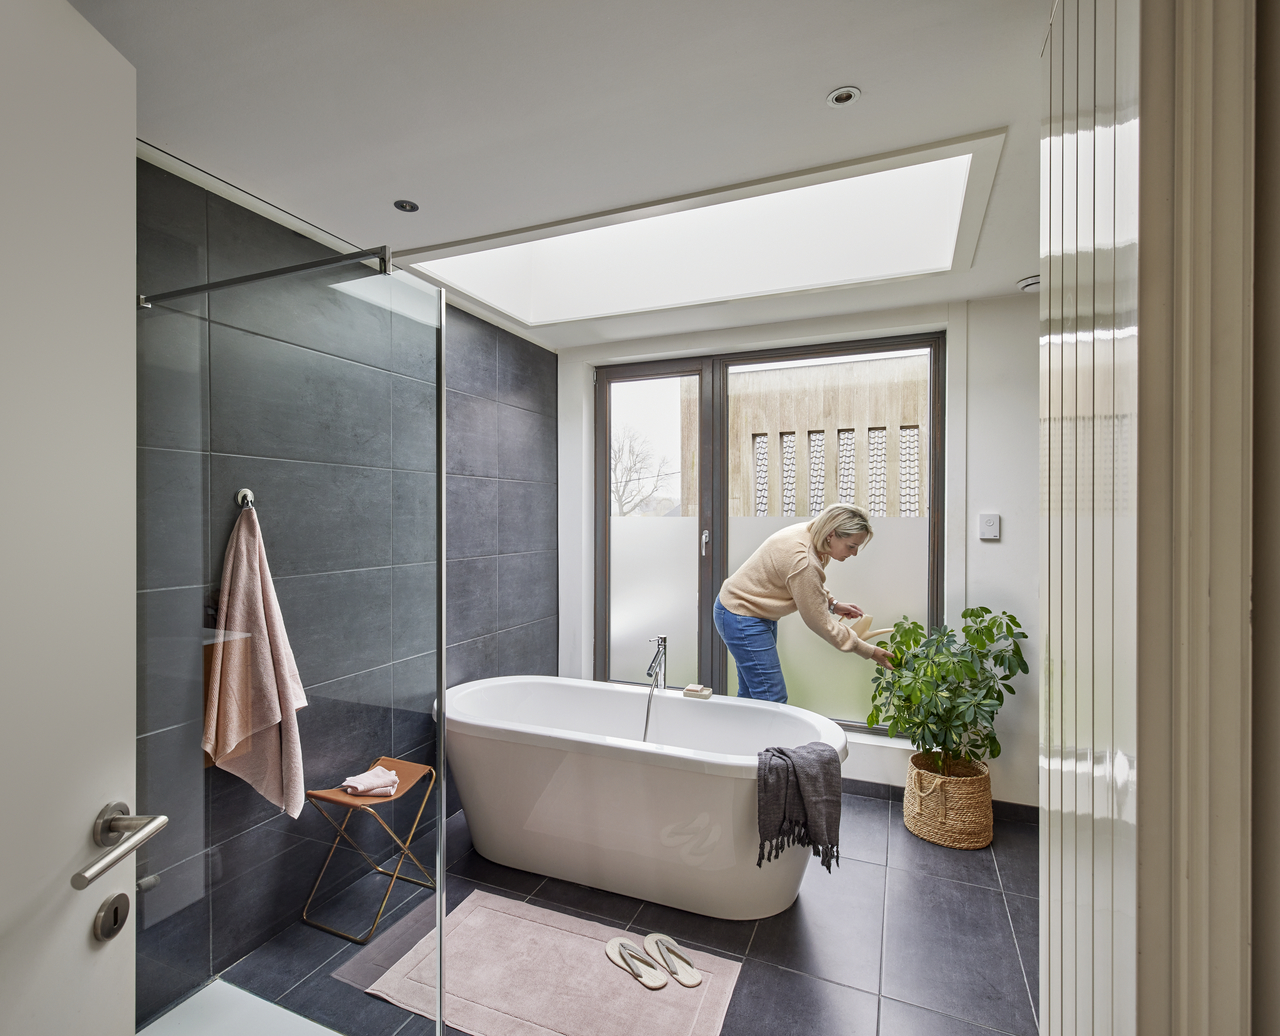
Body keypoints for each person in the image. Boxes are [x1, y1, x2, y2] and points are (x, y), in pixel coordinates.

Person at [714, 503, 894, 703]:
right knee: (771, 696)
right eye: (851, 546)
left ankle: (742, 734)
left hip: (751, 611)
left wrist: (832, 603)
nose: (854, 553)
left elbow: (808, 585)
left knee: (752, 694)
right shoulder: (803, 560)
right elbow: (820, 622)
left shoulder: (811, 535)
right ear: (831, 534)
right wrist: (869, 651)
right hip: (741, 615)